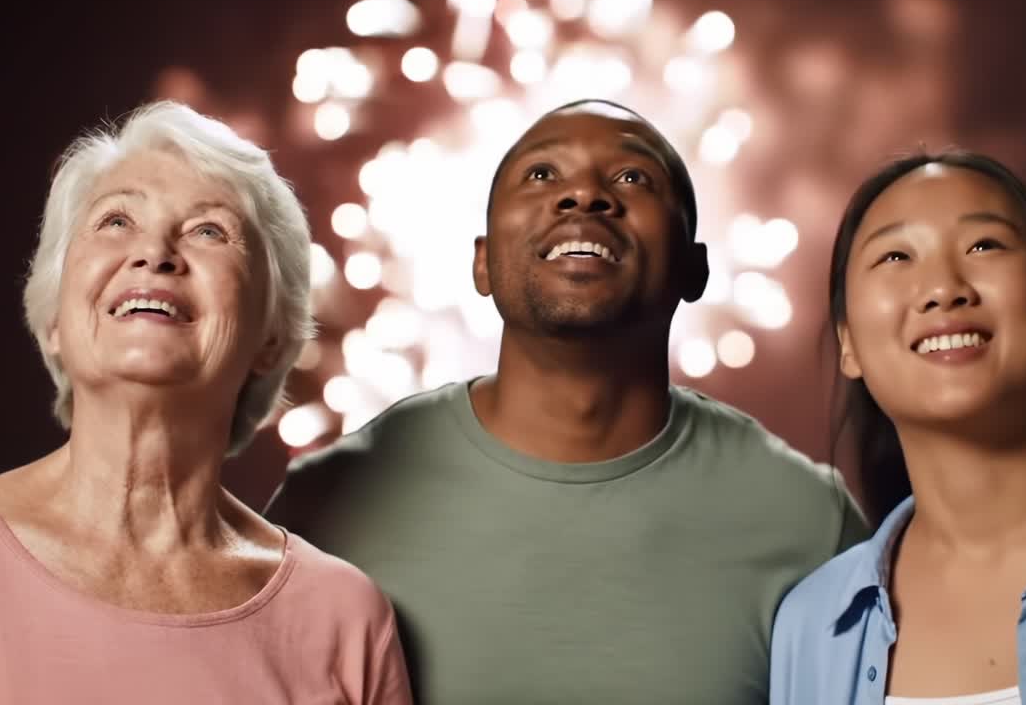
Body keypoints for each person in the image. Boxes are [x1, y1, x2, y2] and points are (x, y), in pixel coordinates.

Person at [267, 99, 868, 704]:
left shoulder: (811, 524)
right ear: (482, 263)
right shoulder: (326, 505)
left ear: (695, 268)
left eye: (634, 178)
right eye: (541, 175)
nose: (583, 196)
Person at [0, 102, 412, 704]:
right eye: (116, 220)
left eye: (210, 230)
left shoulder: (345, 621)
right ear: (53, 319)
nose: (155, 253)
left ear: (271, 337)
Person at [769, 151, 1026, 704]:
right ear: (848, 343)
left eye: (983, 246)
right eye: (896, 255)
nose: (944, 288)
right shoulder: (811, 624)